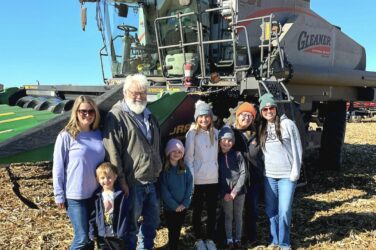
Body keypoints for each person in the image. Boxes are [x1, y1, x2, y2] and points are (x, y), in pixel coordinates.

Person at [103, 74, 162, 250]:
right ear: (124, 92)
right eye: (134, 93)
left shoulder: (149, 115)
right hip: (132, 182)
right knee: (131, 227)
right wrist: (120, 180)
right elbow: (112, 152)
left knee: (151, 224)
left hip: (151, 180)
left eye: (143, 93)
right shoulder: (116, 116)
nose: (139, 96)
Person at [53, 95, 105, 249]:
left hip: (96, 194)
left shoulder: (98, 134)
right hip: (75, 195)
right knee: (82, 238)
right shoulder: (66, 135)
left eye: (91, 111)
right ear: (76, 112)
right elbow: (58, 167)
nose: (87, 115)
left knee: (90, 238)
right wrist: (58, 194)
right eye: (83, 111)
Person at [258, 93, 303, 250]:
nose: (269, 111)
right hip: (269, 176)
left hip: (286, 176)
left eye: (271, 108)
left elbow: (298, 148)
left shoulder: (288, 124)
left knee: (284, 210)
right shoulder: (262, 127)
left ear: (276, 108)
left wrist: (295, 171)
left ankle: (284, 244)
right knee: (271, 210)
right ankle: (274, 240)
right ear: (261, 111)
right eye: (265, 109)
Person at [184, 100, 219, 250]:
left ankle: (210, 238)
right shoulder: (192, 134)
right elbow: (189, 158)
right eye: (201, 117)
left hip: (213, 178)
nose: (204, 120)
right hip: (198, 179)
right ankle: (199, 239)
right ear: (196, 118)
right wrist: (191, 179)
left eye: (207, 116)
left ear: (211, 118)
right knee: (197, 210)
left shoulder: (216, 133)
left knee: (212, 209)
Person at [231, 102, 264, 246]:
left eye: (250, 116)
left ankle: (251, 236)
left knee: (252, 209)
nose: (246, 118)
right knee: (230, 210)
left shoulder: (257, 134)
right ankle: (226, 236)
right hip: (235, 180)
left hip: (253, 179)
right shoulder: (230, 133)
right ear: (237, 116)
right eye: (243, 114)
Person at [160, 139, 193, 250]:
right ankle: (172, 246)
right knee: (172, 228)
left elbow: (189, 186)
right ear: (168, 152)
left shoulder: (185, 169)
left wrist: (185, 203)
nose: (176, 154)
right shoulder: (165, 171)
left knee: (178, 228)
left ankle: (175, 244)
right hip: (170, 208)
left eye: (179, 152)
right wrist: (174, 206)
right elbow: (164, 191)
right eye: (173, 151)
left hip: (182, 207)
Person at [218, 126, 247, 249]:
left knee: (238, 216)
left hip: (239, 192)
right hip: (225, 193)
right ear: (219, 141)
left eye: (230, 140)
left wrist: (235, 190)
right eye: (224, 139)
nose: (227, 142)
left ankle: (238, 239)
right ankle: (229, 239)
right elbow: (217, 178)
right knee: (228, 216)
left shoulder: (237, 154)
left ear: (233, 142)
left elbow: (244, 173)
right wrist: (224, 192)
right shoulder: (216, 157)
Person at [89, 162, 128, 249]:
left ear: (115, 177)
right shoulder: (96, 196)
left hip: (117, 235)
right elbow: (93, 216)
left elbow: (124, 215)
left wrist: (122, 232)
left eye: (109, 177)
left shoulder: (120, 195)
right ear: (97, 179)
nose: (106, 180)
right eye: (102, 178)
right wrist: (92, 232)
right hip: (102, 235)